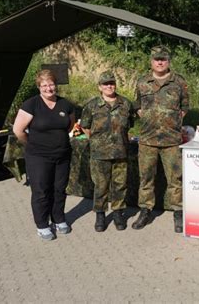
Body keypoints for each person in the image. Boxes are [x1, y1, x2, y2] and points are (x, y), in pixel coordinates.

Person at [13, 69, 75, 240]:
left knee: (59, 189)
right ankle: (42, 225)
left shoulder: (66, 104)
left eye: (51, 84)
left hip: (62, 155)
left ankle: (59, 219)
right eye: (44, 85)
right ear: (39, 87)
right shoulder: (31, 104)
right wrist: (32, 144)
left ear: (56, 85)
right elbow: (18, 130)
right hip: (38, 156)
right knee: (41, 191)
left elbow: (69, 126)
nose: (49, 88)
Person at [131, 45, 189, 233]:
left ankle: (178, 212)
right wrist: (149, 119)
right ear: (152, 62)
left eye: (163, 59)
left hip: (171, 140)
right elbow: (138, 106)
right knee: (146, 178)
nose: (160, 62)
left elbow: (185, 107)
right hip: (148, 140)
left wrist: (171, 122)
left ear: (168, 61)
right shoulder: (142, 82)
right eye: (157, 59)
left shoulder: (178, 82)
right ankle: (145, 210)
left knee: (175, 179)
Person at [80, 71, 134, 232]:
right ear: (99, 87)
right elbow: (85, 126)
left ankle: (118, 214)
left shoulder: (125, 103)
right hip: (99, 153)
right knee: (101, 186)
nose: (109, 86)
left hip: (120, 152)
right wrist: (98, 140)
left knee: (120, 185)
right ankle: (100, 215)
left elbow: (129, 125)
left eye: (111, 83)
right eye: (105, 84)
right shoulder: (92, 105)